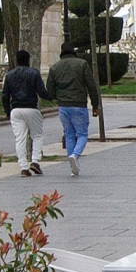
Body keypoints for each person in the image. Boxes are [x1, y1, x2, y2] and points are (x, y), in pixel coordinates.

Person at [47, 43, 101, 177]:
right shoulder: (82, 64)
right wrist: (95, 105)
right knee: (82, 134)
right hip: (79, 104)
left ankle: (72, 166)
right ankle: (75, 155)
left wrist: (58, 97)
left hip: (63, 105)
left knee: (69, 134)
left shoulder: (55, 68)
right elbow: (91, 86)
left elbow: (50, 89)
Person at [2, 49, 52, 177]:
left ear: (16, 60)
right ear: (28, 60)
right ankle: (35, 161)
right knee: (37, 135)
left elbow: (4, 96)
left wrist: (8, 111)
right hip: (31, 108)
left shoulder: (9, 75)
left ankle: (23, 166)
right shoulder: (34, 73)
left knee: (20, 138)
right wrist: (52, 97)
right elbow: (41, 91)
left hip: (16, 109)